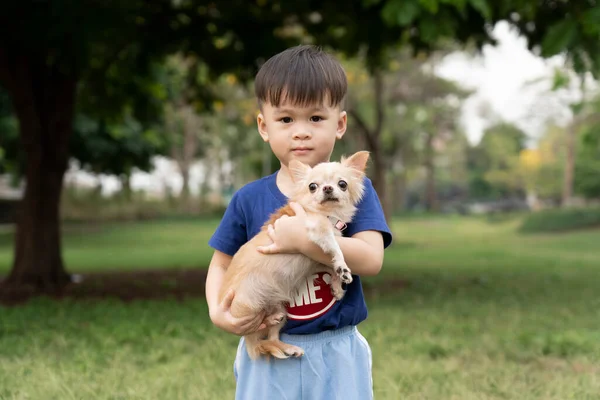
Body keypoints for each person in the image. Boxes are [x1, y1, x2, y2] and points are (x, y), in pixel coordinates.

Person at [206, 44, 393, 400]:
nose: (301, 132)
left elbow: (372, 260)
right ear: (264, 126)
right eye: (287, 119)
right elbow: (221, 263)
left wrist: (303, 241)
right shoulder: (249, 198)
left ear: (340, 124)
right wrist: (218, 311)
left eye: (316, 118)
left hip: (336, 348)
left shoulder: (355, 188)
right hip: (270, 347)